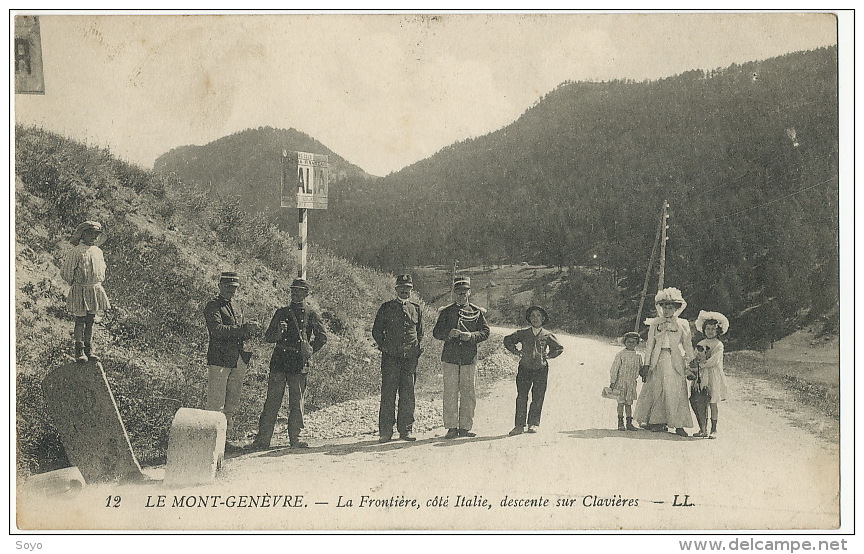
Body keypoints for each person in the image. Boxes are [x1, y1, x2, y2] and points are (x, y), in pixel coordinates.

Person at [251, 278, 327, 449]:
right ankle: (263, 439)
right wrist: (278, 331)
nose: (295, 293)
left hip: (298, 363)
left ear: (306, 294)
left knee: (297, 402)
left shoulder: (311, 314)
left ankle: (296, 438)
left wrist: (309, 350)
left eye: (299, 290)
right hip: (279, 361)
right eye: (293, 290)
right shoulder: (281, 312)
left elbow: (322, 338)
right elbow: (268, 337)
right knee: (272, 401)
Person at [633, 287, 697, 436]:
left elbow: (687, 344)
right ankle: (657, 421)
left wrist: (692, 360)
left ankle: (679, 423)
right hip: (658, 358)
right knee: (657, 388)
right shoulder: (656, 324)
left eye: (670, 307)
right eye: (664, 307)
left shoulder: (682, 323)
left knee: (675, 390)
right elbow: (650, 345)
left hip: (675, 359)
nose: (667, 310)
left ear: (676, 308)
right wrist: (647, 364)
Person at [432, 276, 490, 439]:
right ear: (454, 293)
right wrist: (448, 335)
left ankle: (465, 427)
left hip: (468, 358)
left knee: (468, 392)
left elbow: (485, 332)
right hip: (450, 358)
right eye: (458, 293)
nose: (461, 296)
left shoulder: (476, 312)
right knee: (450, 392)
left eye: (464, 293)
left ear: (469, 293)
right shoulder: (446, 312)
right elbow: (436, 333)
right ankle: (451, 427)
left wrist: (471, 336)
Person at [204, 271, 260, 436]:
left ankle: (225, 439)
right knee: (216, 404)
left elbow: (239, 332)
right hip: (220, 359)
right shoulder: (213, 306)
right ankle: (212, 441)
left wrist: (250, 330)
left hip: (237, 359)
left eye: (234, 287)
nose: (231, 290)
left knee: (232, 403)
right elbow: (217, 330)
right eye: (228, 286)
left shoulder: (237, 306)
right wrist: (243, 329)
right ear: (219, 286)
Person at [372, 274, 423, 443]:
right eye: (401, 287)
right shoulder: (387, 308)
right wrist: (385, 347)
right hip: (391, 358)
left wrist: (413, 349)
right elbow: (376, 331)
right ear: (396, 289)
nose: (404, 290)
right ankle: (385, 432)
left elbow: (419, 333)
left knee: (408, 394)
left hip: (409, 359)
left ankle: (406, 430)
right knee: (388, 394)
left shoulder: (416, 309)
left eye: (407, 288)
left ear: (411, 289)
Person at [503, 306, 564, 436]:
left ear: (543, 319)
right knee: (521, 396)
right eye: (533, 316)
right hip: (524, 368)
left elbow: (558, 348)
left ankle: (533, 423)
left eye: (538, 316)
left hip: (541, 369)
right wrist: (516, 351)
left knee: (538, 396)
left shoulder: (547, 335)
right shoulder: (523, 333)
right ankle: (519, 426)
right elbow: (507, 340)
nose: (535, 318)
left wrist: (549, 356)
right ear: (529, 319)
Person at [60, 221, 111, 363]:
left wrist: (97, 281)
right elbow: (66, 271)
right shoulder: (76, 252)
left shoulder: (98, 251)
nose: (94, 237)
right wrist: (75, 283)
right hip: (80, 289)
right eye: (91, 234)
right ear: (83, 235)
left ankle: (89, 349)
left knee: (91, 320)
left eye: (96, 235)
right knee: (80, 320)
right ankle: (79, 350)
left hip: (93, 288)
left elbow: (102, 269)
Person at [693, 310, 730, 438]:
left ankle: (714, 429)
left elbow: (714, 361)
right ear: (704, 330)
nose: (710, 331)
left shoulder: (719, 345)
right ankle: (703, 428)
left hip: (713, 374)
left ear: (717, 331)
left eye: (713, 329)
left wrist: (703, 363)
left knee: (713, 402)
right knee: (701, 401)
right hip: (702, 375)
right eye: (708, 329)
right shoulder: (701, 343)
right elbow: (695, 356)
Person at [608, 331, 644, 431]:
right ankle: (620, 422)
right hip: (621, 382)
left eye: (633, 342)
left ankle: (629, 422)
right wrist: (612, 381)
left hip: (631, 383)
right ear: (625, 342)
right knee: (621, 402)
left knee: (629, 403)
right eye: (629, 342)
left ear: (637, 343)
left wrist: (644, 374)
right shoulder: (621, 355)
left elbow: (641, 368)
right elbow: (615, 368)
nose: (631, 344)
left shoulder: (638, 356)